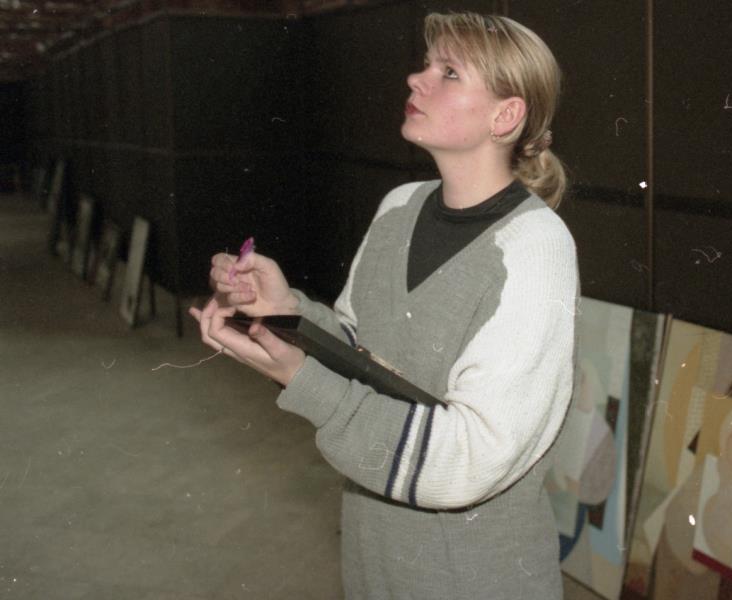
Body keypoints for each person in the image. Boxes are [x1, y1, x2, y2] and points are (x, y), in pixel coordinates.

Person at [189, 12, 579, 599]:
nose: (416, 80)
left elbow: (469, 459)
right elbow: (361, 352)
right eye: (426, 65)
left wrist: (300, 378)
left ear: (505, 116)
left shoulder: (535, 247)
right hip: (373, 563)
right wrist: (286, 311)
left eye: (449, 72)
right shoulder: (399, 206)